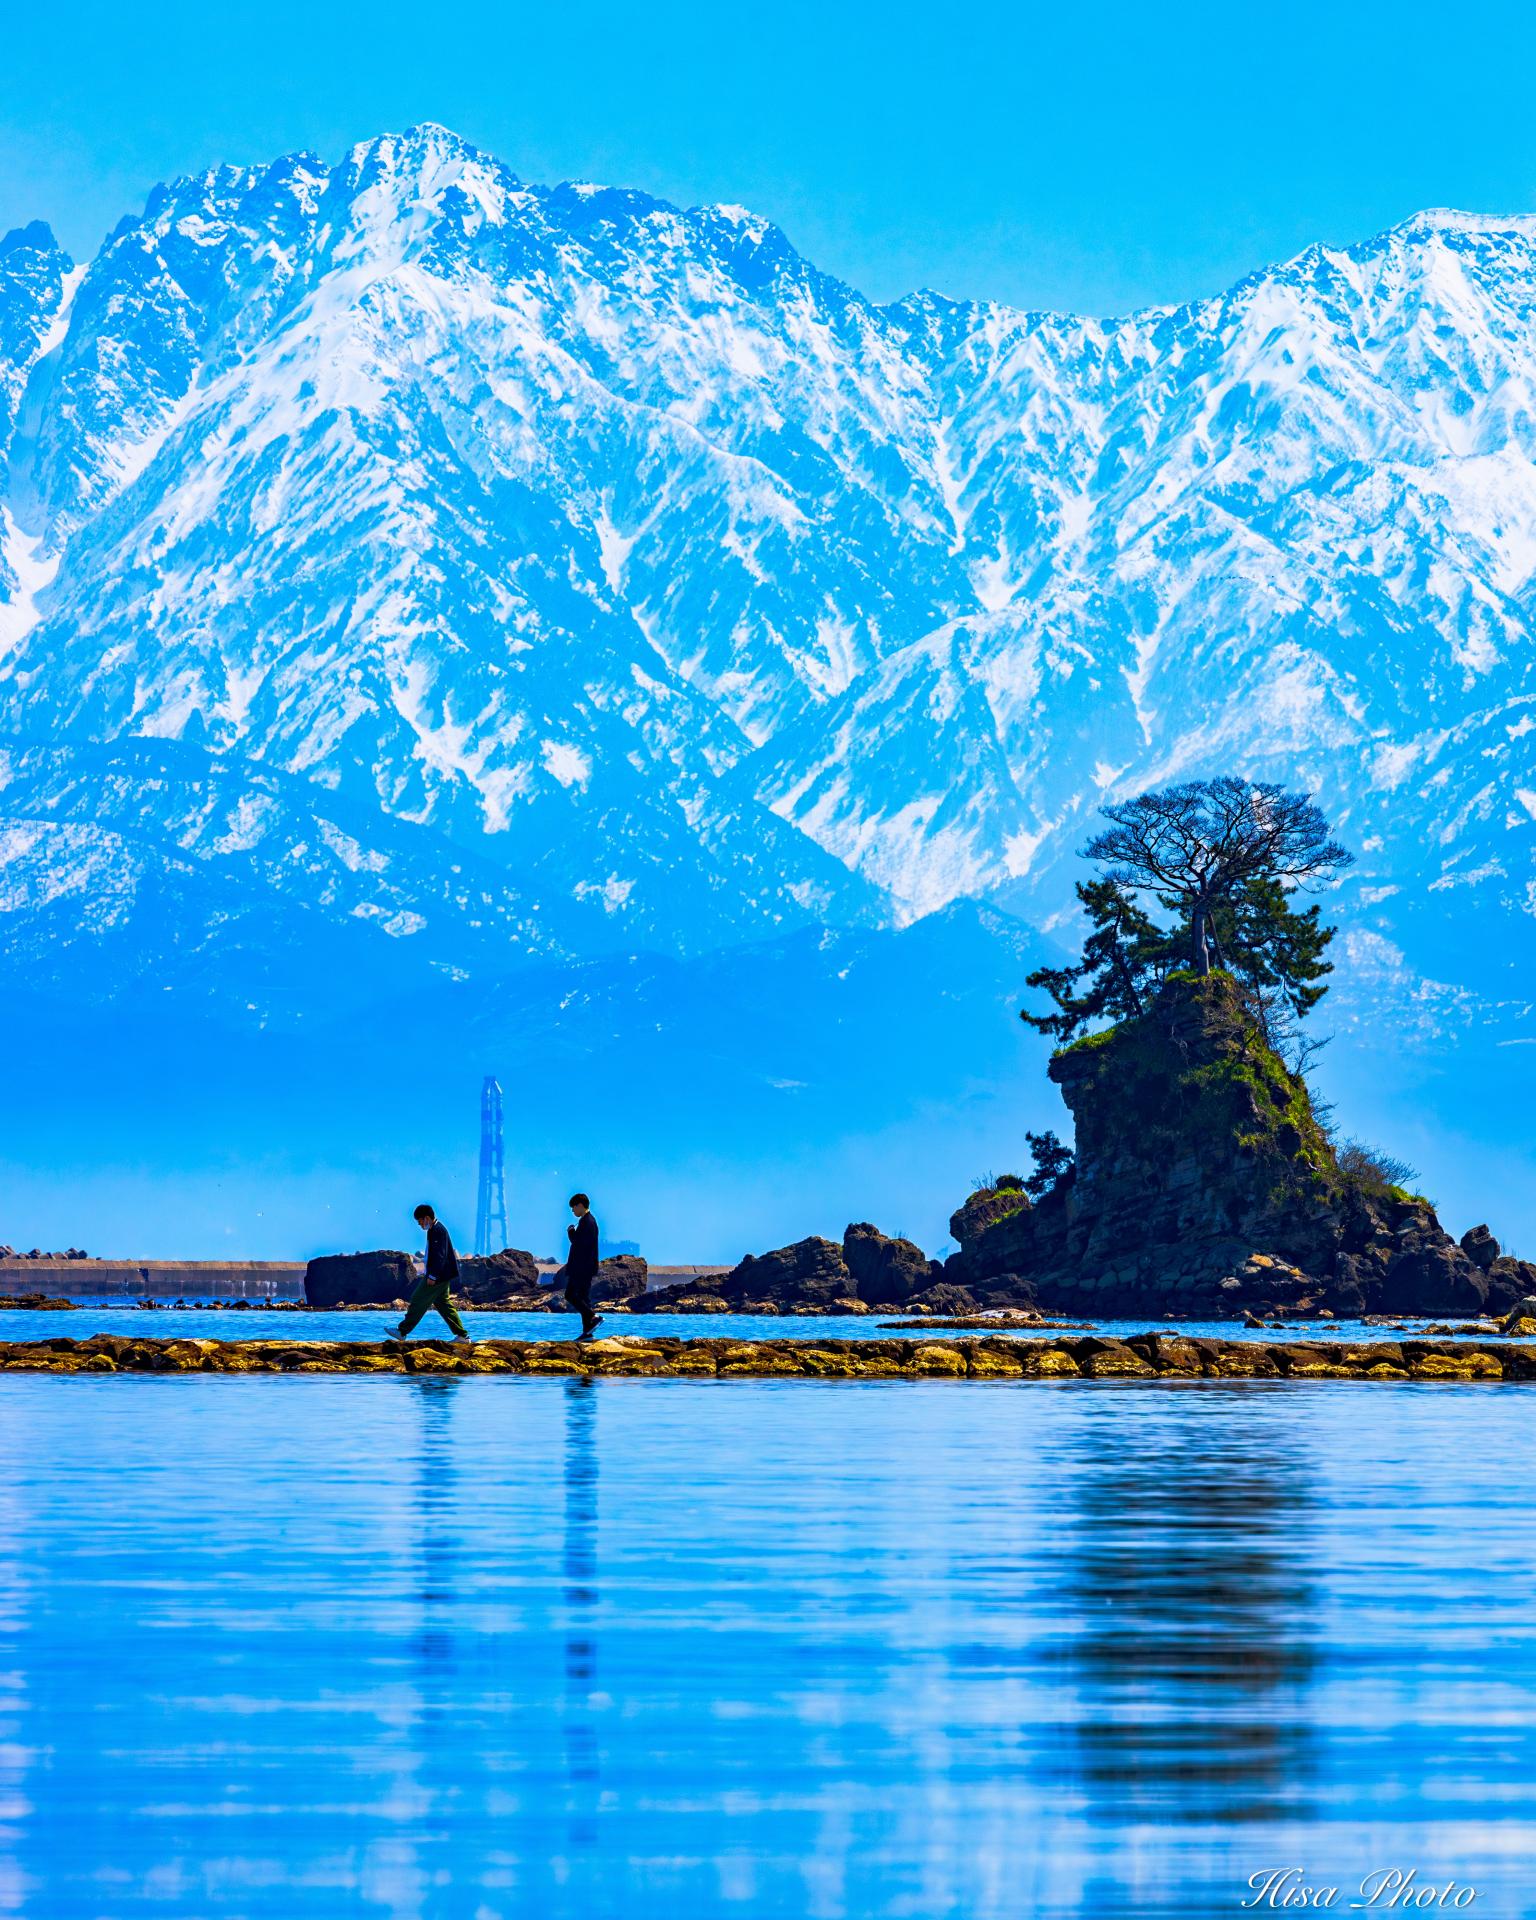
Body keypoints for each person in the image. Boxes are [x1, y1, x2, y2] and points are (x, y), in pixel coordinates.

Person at [387, 1204, 473, 1345]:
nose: (419, 1224)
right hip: (442, 1275)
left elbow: (440, 1256)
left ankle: (402, 1332)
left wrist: (432, 1276)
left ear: (427, 1218)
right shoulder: (434, 1229)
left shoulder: (437, 1230)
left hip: (437, 1276)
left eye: (420, 1221)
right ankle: (462, 1336)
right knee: (443, 1304)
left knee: (417, 1299)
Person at [563, 1192, 602, 1341]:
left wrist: (571, 1232)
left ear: (580, 1205)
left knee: (570, 1295)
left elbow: (580, 1243)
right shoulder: (588, 1221)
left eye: (573, 1208)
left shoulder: (588, 1222)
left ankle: (592, 1316)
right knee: (584, 1298)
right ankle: (588, 1332)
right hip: (586, 1266)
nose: (573, 1211)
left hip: (581, 1267)